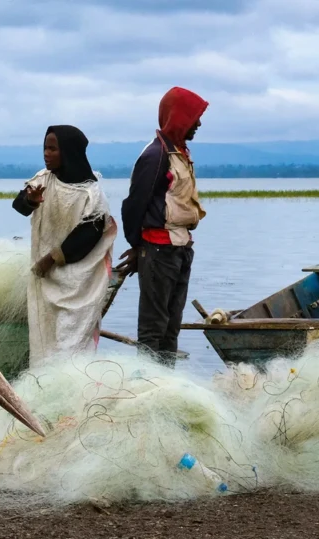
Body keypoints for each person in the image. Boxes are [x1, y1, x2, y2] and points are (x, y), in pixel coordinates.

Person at [119, 87, 208, 367]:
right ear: (180, 118)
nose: (199, 124)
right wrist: (138, 247)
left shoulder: (178, 153)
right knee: (153, 328)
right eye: (195, 118)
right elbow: (134, 205)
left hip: (180, 248)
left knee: (171, 326)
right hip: (157, 250)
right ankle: (147, 386)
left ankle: (167, 384)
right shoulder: (155, 155)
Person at [12, 125, 116, 364]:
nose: (46, 154)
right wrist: (30, 200)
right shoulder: (42, 180)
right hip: (46, 278)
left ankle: (73, 390)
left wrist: (50, 260)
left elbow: (87, 236)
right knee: (45, 337)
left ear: (68, 152)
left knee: (71, 342)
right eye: (45, 148)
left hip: (79, 282)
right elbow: (18, 206)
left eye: (53, 148)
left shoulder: (91, 194)